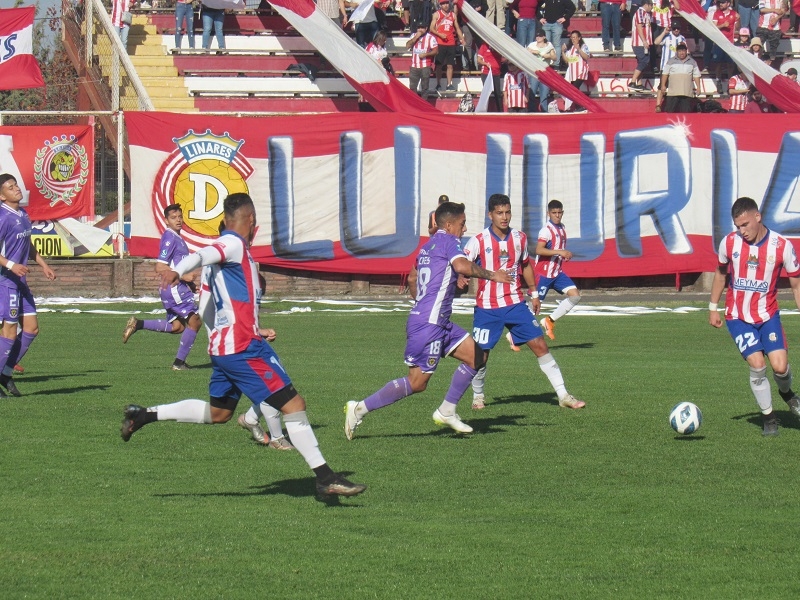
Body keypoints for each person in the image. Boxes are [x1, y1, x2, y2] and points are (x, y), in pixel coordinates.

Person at [120, 193, 366, 497]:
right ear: (250, 220)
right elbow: (203, 253)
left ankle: (143, 415)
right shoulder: (233, 244)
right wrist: (178, 269)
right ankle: (325, 477)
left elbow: (208, 306)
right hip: (242, 348)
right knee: (294, 404)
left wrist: (229, 333)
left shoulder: (222, 263)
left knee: (219, 413)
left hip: (227, 347)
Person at [343, 201, 512, 439]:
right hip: (429, 325)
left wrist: (428, 300)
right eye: (462, 224)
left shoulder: (427, 246)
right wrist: (494, 275)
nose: (464, 229)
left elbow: (413, 279)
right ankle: (359, 408)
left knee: (478, 356)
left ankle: (447, 410)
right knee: (417, 383)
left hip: (436, 321)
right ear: (450, 224)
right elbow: (462, 264)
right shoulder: (449, 241)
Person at [462, 194, 585, 411]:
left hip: (516, 303)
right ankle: (478, 395)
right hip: (488, 308)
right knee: (481, 355)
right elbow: (463, 264)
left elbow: (526, 265)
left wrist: (535, 293)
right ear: (490, 214)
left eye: (507, 212)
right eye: (499, 213)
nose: (504, 217)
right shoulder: (479, 240)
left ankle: (563, 394)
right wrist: (472, 276)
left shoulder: (519, 238)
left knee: (540, 344)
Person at [709, 196, 800, 436]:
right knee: (758, 364)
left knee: (780, 367)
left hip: (767, 315)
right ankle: (769, 417)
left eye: (746, 224)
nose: (742, 231)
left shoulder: (781, 246)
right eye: (738, 226)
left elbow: (796, 284)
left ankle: (787, 393)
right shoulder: (729, 243)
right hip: (737, 316)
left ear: (757, 217)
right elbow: (720, 274)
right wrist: (712, 306)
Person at [122, 204, 203, 371]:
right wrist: (183, 276)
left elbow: (176, 265)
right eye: (174, 218)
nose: (178, 220)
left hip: (176, 288)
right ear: (166, 221)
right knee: (195, 322)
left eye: (180, 217)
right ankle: (178, 364)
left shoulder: (178, 238)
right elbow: (160, 267)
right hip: (174, 289)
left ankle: (139, 324)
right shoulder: (170, 237)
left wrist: (189, 283)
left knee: (177, 327)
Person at [0, 174, 57, 398]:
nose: (16, 189)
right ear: (1, 195)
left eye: (16, 185)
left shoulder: (22, 214)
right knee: (10, 331)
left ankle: (5, 372)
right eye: (10, 187)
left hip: (20, 281)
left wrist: (43, 264)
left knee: (32, 329)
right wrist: (12, 265)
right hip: (6, 281)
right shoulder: (3, 217)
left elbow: (28, 244)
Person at [531, 199, 581, 342]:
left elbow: (558, 251)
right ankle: (514, 336)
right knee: (533, 308)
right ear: (548, 213)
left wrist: (564, 255)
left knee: (575, 296)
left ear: (562, 213)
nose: (557, 215)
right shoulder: (546, 230)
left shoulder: (562, 228)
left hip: (557, 273)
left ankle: (549, 321)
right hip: (544, 273)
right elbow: (539, 250)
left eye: (559, 213)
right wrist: (560, 252)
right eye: (554, 213)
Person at [655, 41, 701, 113]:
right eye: (679, 51)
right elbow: (665, 74)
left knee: (686, 114)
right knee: (670, 112)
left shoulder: (692, 62)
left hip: (686, 92)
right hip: (673, 92)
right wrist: (663, 85)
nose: (681, 53)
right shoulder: (671, 61)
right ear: (676, 52)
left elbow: (696, 75)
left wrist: (698, 87)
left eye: (683, 51)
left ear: (686, 51)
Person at [431, 0, 465, 91]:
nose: (445, 5)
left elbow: (457, 27)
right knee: (439, 65)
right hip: (440, 42)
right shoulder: (437, 14)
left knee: (450, 65)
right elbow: (431, 28)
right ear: (440, 5)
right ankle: (438, 83)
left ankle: (449, 84)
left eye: (446, 3)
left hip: (451, 42)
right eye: (443, 4)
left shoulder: (452, 15)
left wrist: (461, 38)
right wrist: (440, 35)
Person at [711, 0, 738, 93]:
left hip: (730, 43)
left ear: (728, 3)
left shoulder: (734, 14)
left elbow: (738, 25)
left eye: (723, 2)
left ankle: (730, 84)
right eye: (720, 3)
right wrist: (722, 25)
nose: (721, 4)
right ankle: (718, 82)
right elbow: (713, 27)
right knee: (719, 64)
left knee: (730, 64)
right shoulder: (717, 13)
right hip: (719, 43)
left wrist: (739, 20)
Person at [537, 0, 575, 67]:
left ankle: (556, 65)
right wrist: (540, 18)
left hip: (557, 24)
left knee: (556, 44)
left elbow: (572, 8)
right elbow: (536, 5)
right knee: (545, 44)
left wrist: (565, 18)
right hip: (546, 24)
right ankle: (546, 64)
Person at [527, 29, 556, 112]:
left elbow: (554, 57)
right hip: (534, 71)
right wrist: (533, 51)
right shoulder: (532, 45)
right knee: (532, 94)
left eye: (540, 36)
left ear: (544, 37)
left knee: (544, 95)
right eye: (537, 36)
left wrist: (548, 55)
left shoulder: (549, 45)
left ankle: (544, 112)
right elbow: (526, 51)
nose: (538, 37)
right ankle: (532, 111)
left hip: (545, 72)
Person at [561, 29, 591, 111]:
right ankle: (579, 107)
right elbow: (566, 60)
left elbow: (587, 57)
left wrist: (579, 50)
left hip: (581, 72)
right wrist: (563, 52)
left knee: (574, 88)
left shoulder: (583, 46)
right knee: (575, 90)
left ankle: (580, 105)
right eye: (572, 37)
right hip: (572, 73)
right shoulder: (570, 48)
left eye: (575, 37)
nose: (573, 39)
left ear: (579, 38)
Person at [406, 24, 439, 98]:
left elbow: (436, 51)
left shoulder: (430, 38)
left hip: (425, 66)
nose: (420, 29)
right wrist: (415, 38)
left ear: (426, 28)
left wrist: (426, 54)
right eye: (418, 27)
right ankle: (414, 104)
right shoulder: (413, 35)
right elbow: (407, 46)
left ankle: (424, 106)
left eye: (422, 28)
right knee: (412, 87)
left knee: (425, 88)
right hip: (414, 66)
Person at [629, 0, 654, 93]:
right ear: (647, 4)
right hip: (639, 43)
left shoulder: (646, 14)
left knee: (644, 62)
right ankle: (632, 82)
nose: (652, 7)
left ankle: (639, 84)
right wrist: (644, 41)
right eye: (651, 5)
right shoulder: (640, 12)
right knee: (644, 61)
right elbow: (639, 27)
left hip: (644, 42)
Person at [477, 39, 505, 111]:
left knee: (497, 93)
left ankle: (500, 111)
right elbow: (479, 60)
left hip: (496, 73)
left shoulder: (498, 47)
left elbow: (504, 59)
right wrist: (486, 64)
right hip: (486, 73)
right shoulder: (484, 46)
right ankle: (485, 110)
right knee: (487, 93)